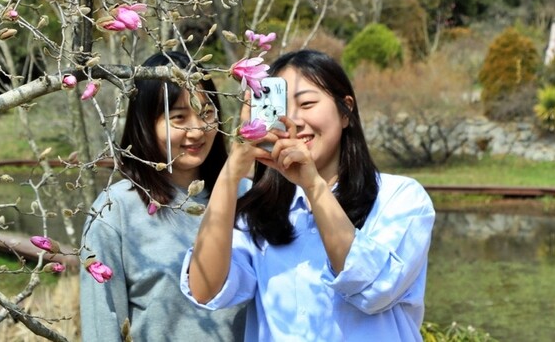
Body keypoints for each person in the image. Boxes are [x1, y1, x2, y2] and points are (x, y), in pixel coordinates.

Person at [182, 49, 435, 341]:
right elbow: (205, 290)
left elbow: (375, 290)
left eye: (307, 103)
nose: (294, 119)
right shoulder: (261, 212)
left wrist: (314, 186)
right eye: (280, 106)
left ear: (345, 111)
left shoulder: (401, 198)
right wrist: (231, 173)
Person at [80, 51, 248, 341]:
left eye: (206, 113)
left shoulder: (247, 196)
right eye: (179, 117)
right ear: (146, 123)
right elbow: (101, 321)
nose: (197, 130)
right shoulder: (116, 210)